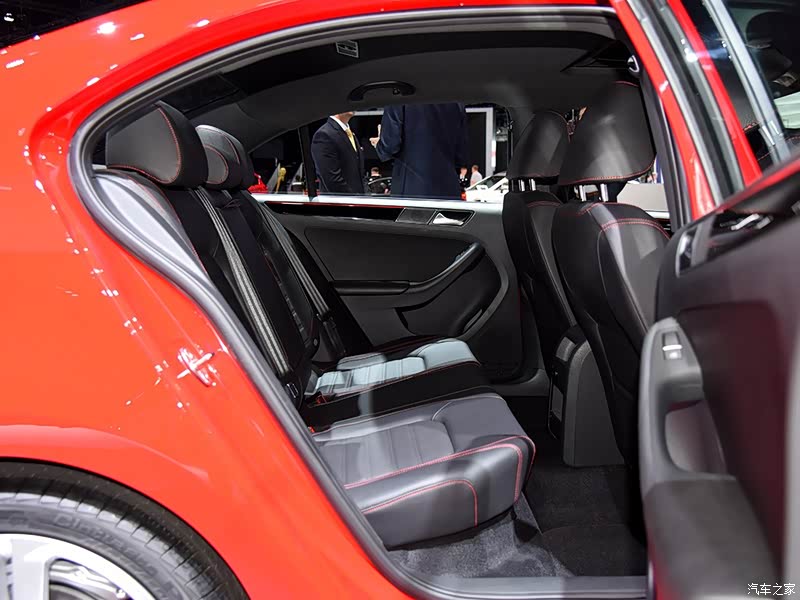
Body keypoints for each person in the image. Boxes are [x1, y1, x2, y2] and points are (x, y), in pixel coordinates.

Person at [370, 103, 468, 199]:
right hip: (450, 191)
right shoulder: (457, 101)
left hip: (411, 191)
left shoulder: (399, 96)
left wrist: (379, 144)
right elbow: (461, 155)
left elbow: (390, 145)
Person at [311, 112, 366, 194]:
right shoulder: (324, 134)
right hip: (340, 200)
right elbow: (332, 180)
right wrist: (354, 199)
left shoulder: (350, 133)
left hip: (358, 199)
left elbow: (361, 175)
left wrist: (367, 196)